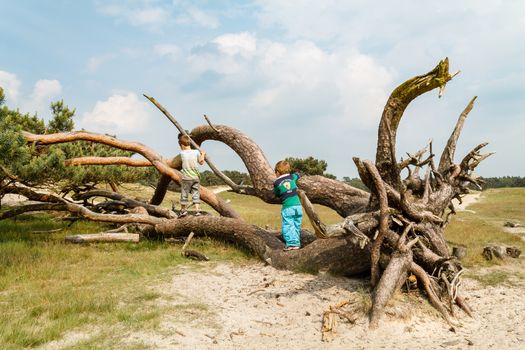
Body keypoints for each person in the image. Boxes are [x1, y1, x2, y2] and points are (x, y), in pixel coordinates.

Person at [273, 160, 303, 251]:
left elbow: (276, 193)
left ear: (277, 172)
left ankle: (291, 244)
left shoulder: (277, 182)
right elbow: (298, 175)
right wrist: (298, 175)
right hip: (298, 206)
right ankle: (296, 243)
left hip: (288, 207)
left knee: (288, 225)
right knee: (296, 225)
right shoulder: (291, 177)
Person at [178, 135, 206, 216]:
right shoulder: (196, 152)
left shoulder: (182, 153)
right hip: (196, 177)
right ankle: (197, 211)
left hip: (186, 177)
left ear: (182, 145)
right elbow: (201, 162)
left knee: (184, 194)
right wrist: (203, 154)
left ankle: (183, 210)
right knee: (196, 193)